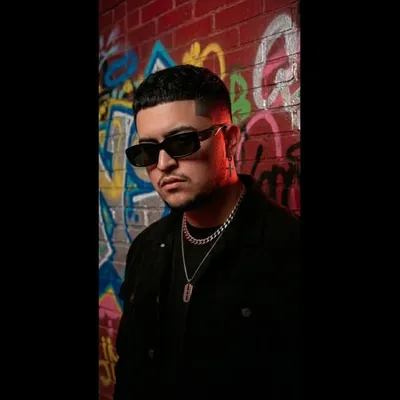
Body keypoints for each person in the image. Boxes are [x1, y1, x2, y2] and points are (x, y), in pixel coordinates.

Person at [113, 65, 301, 399]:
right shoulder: (146, 248)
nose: (163, 164)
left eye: (182, 142)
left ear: (229, 141)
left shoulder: (288, 250)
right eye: (148, 150)